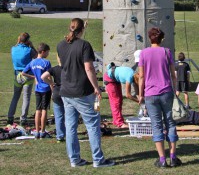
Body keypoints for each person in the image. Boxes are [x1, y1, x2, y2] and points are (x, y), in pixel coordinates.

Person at [57, 18, 114, 168]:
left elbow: (63, 64)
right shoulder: (84, 45)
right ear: (81, 29)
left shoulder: (61, 45)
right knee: (92, 125)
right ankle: (98, 159)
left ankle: (74, 159)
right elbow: (89, 68)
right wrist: (96, 87)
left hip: (66, 91)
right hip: (82, 91)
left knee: (70, 127)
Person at [139, 27, 182, 168]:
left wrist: (140, 94)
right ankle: (173, 157)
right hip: (166, 91)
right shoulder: (166, 52)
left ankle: (162, 159)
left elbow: (141, 76)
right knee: (170, 123)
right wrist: (176, 89)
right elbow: (173, 74)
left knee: (156, 125)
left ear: (149, 38)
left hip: (150, 94)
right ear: (161, 38)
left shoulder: (143, 53)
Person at [22, 43, 52, 138]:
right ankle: (43, 131)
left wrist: (33, 76)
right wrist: (52, 86)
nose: (48, 54)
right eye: (47, 52)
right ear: (43, 52)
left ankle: (37, 131)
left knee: (37, 110)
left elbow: (23, 73)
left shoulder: (32, 62)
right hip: (46, 89)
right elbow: (49, 76)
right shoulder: (46, 63)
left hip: (37, 89)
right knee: (44, 110)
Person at [7, 32, 37, 126]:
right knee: (26, 97)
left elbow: (16, 48)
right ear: (27, 40)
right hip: (27, 75)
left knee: (15, 97)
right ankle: (23, 118)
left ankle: (10, 117)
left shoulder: (13, 49)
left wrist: (18, 43)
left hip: (17, 75)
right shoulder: (29, 50)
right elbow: (36, 56)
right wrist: (32, 46)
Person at [103, 63, 139, 128]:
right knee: (115, 101)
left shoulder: (135, 74)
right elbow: (128, 95)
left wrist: (141, 99)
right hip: (109, 79)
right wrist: (138, 101)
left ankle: (116, 120)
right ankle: (120, 123)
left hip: (115, 79)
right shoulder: (130, 77)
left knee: (120, 100)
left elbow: (137, 92)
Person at [41, 61, 66, 142]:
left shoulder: (54, 69)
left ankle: (60, 136)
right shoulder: (69, 68)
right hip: (67, 92)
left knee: (58, 116)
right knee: (70, 115)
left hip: (56, 93)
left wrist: (51, 83)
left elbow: (43, 77)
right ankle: (69, 134)